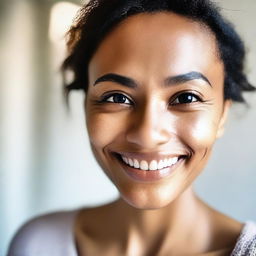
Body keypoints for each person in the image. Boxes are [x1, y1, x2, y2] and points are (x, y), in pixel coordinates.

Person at [8, 0, 256, 255]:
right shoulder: (37, 244)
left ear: (222, 115)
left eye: (186, 98)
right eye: (117, 97)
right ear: (86, 108)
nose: (147, 135)